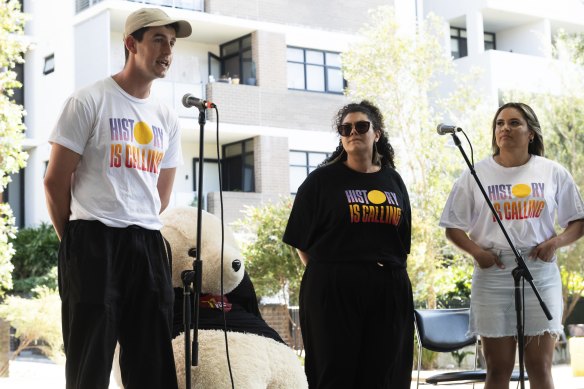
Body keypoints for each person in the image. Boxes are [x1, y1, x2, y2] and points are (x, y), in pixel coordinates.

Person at [43, 8, 192, 389]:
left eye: (172, 43)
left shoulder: (166, 117)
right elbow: (54, 181)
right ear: (131, 43)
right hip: (93, 239)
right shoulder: (89, 101)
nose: (168, 52)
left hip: (147, 243)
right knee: (90, 362)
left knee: (152, 361)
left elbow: (161, 194)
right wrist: (74, 242)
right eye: (158, 39)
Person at [439, 102, 584, 389]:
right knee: (497, 369)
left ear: (531, 132)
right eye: (500, 123)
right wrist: (477, 252)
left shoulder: (552, 172)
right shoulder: (475, 174)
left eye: (514, 123)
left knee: (540, 367)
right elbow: (452, 227)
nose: (505, 128)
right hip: (493, 271)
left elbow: (578, 221)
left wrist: (555, 243)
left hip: (539, 271)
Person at [283, 100, 414, 389]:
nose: (353, 131)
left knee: (385, 371)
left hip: (388, 287)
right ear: (341, 137)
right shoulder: (321, 181)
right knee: (335, 373)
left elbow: (401, 241)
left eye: (361, 126)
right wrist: (331, 272)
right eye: (346, 128)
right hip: (334, 289)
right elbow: (299, 239)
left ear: (376, 134)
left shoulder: (393, 180)